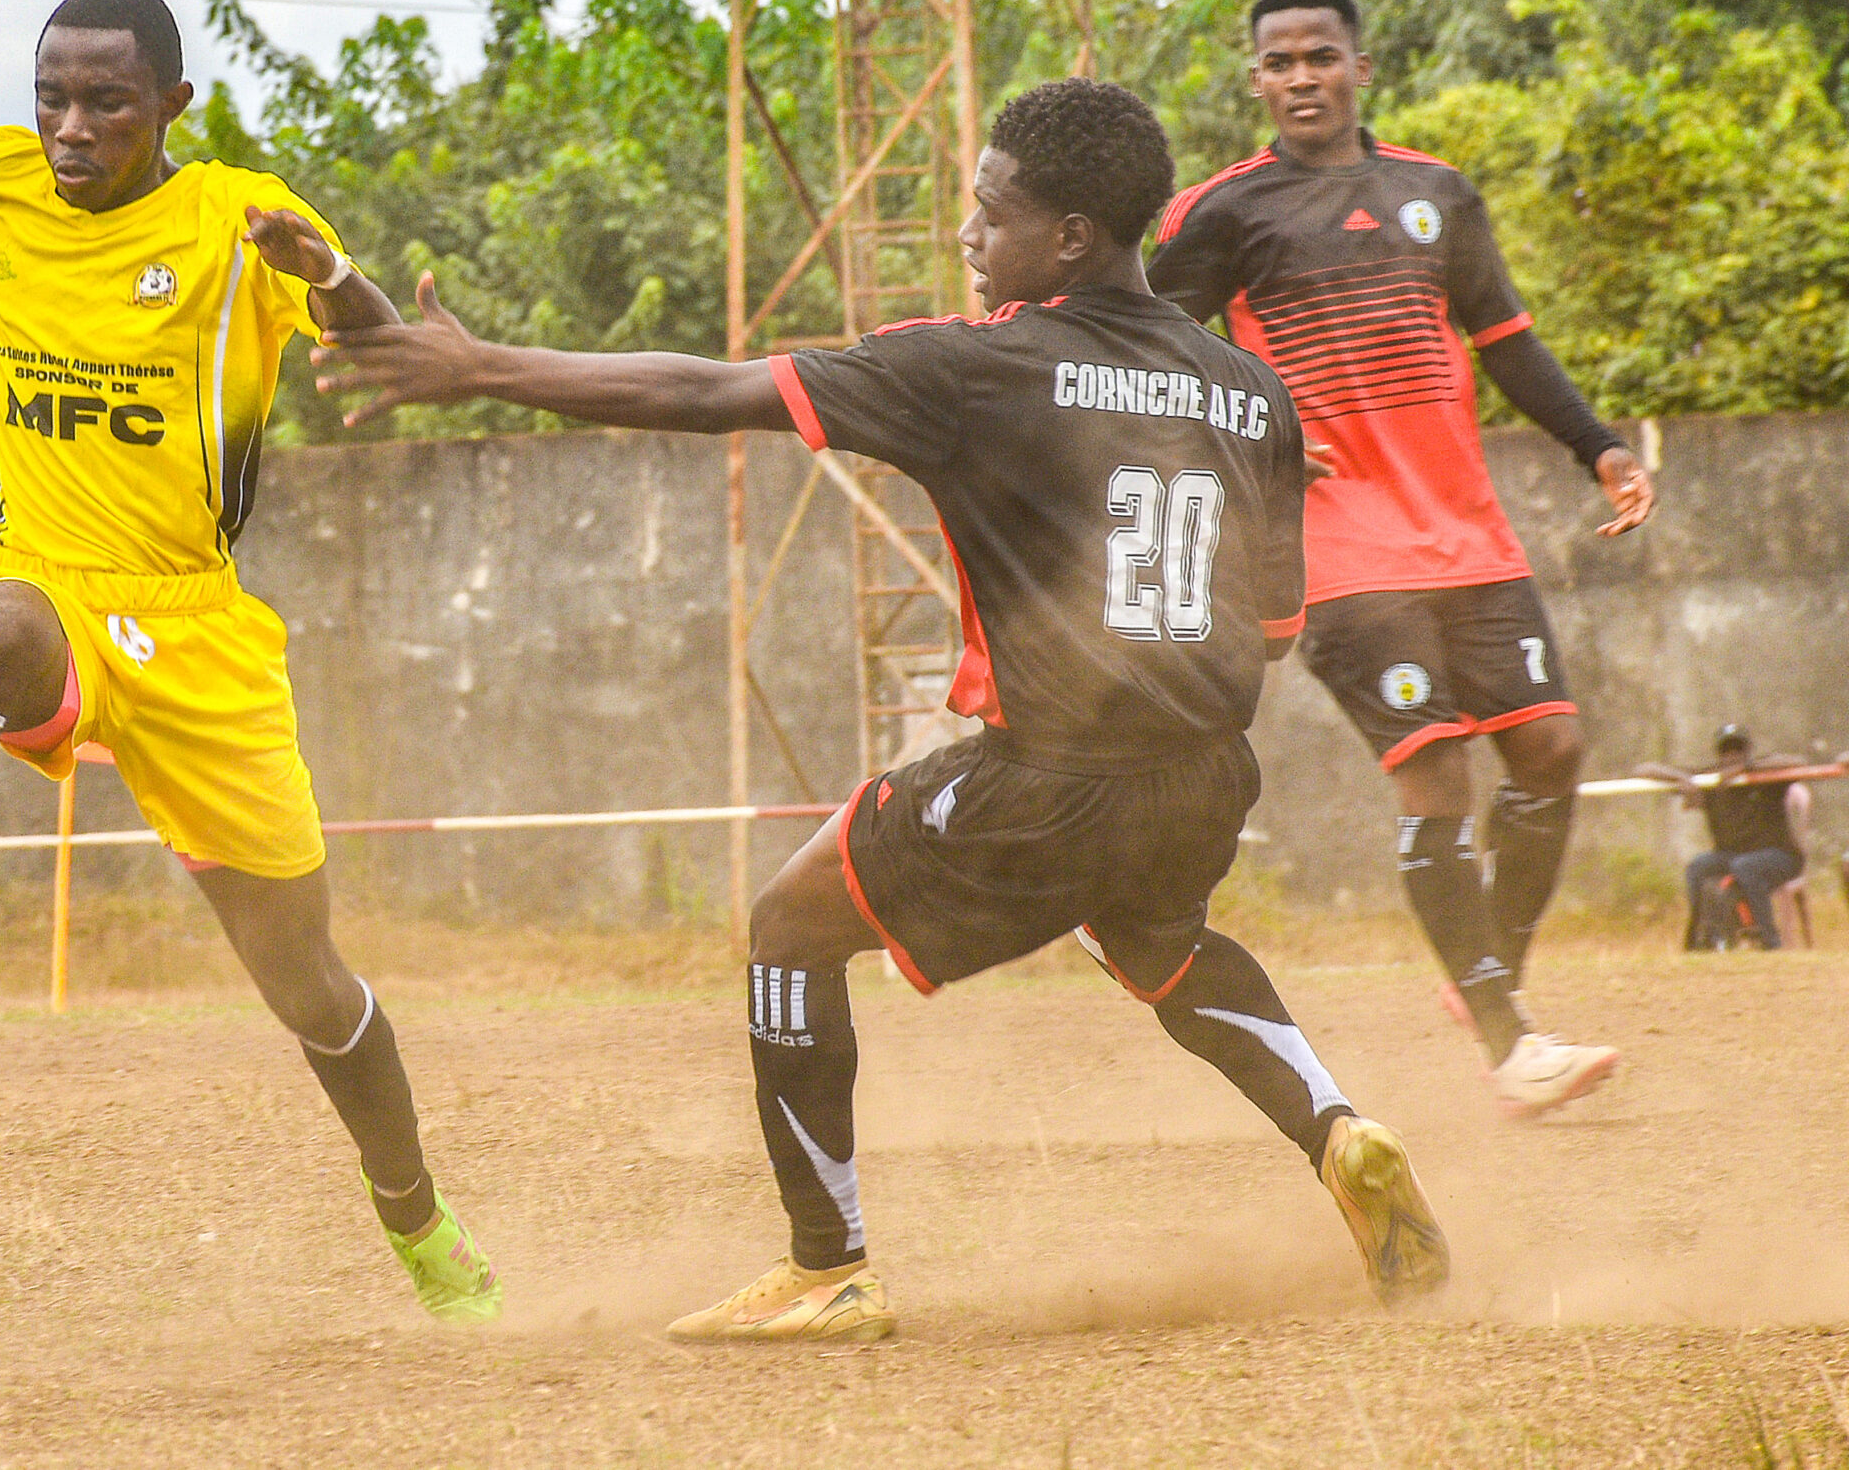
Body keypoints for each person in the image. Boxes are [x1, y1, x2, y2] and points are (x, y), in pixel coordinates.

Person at [314, 78, 1450, 1342]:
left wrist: (482, 367)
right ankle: (1338, 1129)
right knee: (1159, 940)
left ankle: (825, 1267)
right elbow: (1275, 627)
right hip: (1204, 775)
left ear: (1069, 237)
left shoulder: (980, 365)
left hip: (1051, 775)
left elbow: (707, 392)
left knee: (789, 921)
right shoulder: (1252, 394)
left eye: (989, 211)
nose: (968, 234)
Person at [0, 0, 500, 1324]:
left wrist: (329, 275)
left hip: (196, 628)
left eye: (105, 102)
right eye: (50, 95)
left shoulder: (239, 217)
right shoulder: (4, 175)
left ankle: (418, 1220)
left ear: (172, 107)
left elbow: (380, 340)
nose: (68, 127)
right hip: (44, 576)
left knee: (307, 982)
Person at [1147, 0, 1656, 1118]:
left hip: (1467, 535)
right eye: (1278, 63)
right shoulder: (1221, 214)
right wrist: (1253, 438)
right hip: (1337, 549)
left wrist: (1600, 448)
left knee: (1554, 752)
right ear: (1255, 80)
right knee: (1434, 773)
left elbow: (1508, 342)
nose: (1299, 79)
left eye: (1318, 57)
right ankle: (1507, 1041)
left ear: (1359, 67)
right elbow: (1153, 357)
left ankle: (1486, 975)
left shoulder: (1435, 193)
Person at [1639, 726, 1815, 951]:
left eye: (1738, 750)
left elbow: (1797, 762)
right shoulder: (1710, 780)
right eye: (1726, 751)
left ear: (1747, 752)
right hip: (1732, 856)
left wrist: (1746, 768)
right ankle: (1701, 940)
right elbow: (1644, 769)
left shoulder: (1765, 775)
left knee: (1746, 866)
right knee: (1698, 867)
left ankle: (1770, 942)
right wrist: (1683, 779)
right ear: (1718, 755)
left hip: (1781, 856)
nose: (1731, 756)